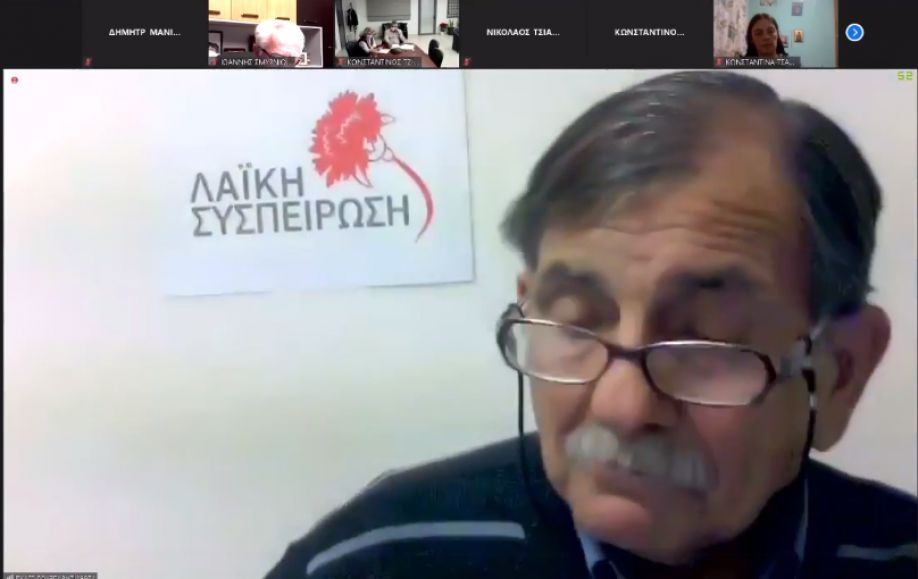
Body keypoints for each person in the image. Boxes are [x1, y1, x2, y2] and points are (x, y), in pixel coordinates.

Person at [264, 72, 917, 578]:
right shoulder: (373, 562)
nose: (622, 407)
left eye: (704, 340)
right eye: (576, 325)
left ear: (840, 373)